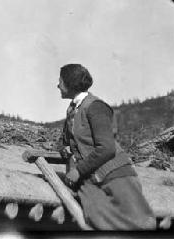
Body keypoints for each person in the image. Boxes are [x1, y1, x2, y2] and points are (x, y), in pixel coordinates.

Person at [57, 64, 156, 230]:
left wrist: (79, 170)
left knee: (141, 225)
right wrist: (63, 148)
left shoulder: (96, 107)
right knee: (98, 219)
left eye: (60, 81)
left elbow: (107, 148)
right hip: (89, 180)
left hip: (115, 175)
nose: (58, 85)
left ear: (70, 83)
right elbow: (64, 141)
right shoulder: (72, 110)